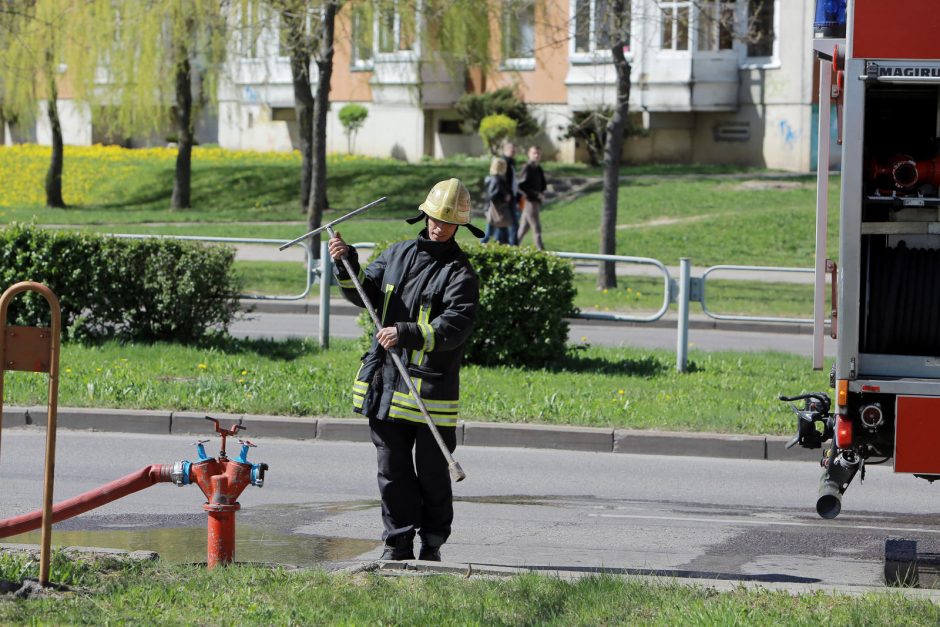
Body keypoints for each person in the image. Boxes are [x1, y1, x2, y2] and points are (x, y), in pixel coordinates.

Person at [328, 178, 482, 562]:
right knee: (392, 472)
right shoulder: (396, 255)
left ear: (458, 225)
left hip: (430, 394)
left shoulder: (460, 274)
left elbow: (454, 327)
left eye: (446, 222)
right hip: (385, 383)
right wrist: (346, 263)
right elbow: (364, 292)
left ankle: (432, 542)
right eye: (433, 218)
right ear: (424, 214)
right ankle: (397, 542)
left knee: (432, 475)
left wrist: (407, 332)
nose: (437, 227)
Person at [517, 145, 547, 250]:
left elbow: (543, 184)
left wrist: (541, 193)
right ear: (529, 154)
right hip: (530, 202)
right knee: (537, 228)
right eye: (534, 153)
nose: (537, 155)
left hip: (535, 201)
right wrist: (535, 194)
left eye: (538, 153)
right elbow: (521, 185)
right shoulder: (528, 167)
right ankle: (542, 252)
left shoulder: (538, 168)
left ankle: (512, 247)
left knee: (524, 228)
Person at [479, 157, 512, 244]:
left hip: (497, 210)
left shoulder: (496, 179)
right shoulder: (496, 180)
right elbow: (493, 196)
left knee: (502, 231)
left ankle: (504, 247)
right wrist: (504, 198)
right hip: (496, 210)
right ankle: (480, 247)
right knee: (489, 233)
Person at [501, 141, 521, 246]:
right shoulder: (504, 162)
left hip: (512, 197)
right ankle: (513, 246)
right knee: (509, 223)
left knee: (509, 223)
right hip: (506, 197)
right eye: (511, 150)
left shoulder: (512, 162)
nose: (513, 151)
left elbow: (513, 180)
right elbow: (501, 180)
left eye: (514, 150)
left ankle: (507, 244)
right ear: (505, 150)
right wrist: (507, 193)